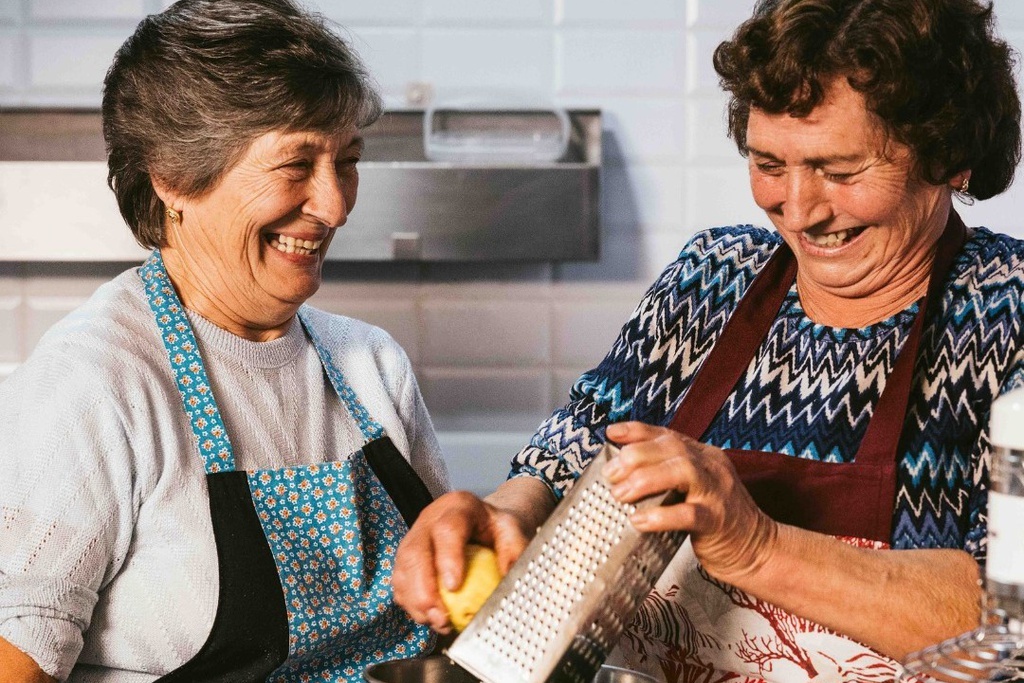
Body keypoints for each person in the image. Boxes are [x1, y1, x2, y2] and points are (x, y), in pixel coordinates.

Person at [393, 0, 1023, 680]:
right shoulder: (712, 277)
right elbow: (571, 453)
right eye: (769, 163)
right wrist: (498, 513)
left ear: (951, 156)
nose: (800, 208)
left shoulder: (1005, 311)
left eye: (840, 171)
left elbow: (1011, 624)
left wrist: (756, 544)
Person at [0, 1, 450, 681]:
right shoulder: (96, 384)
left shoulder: (373, 366)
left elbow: (455, 620)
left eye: (347, 161)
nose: (334, 205)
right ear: (176, 177)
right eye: (296, 164)